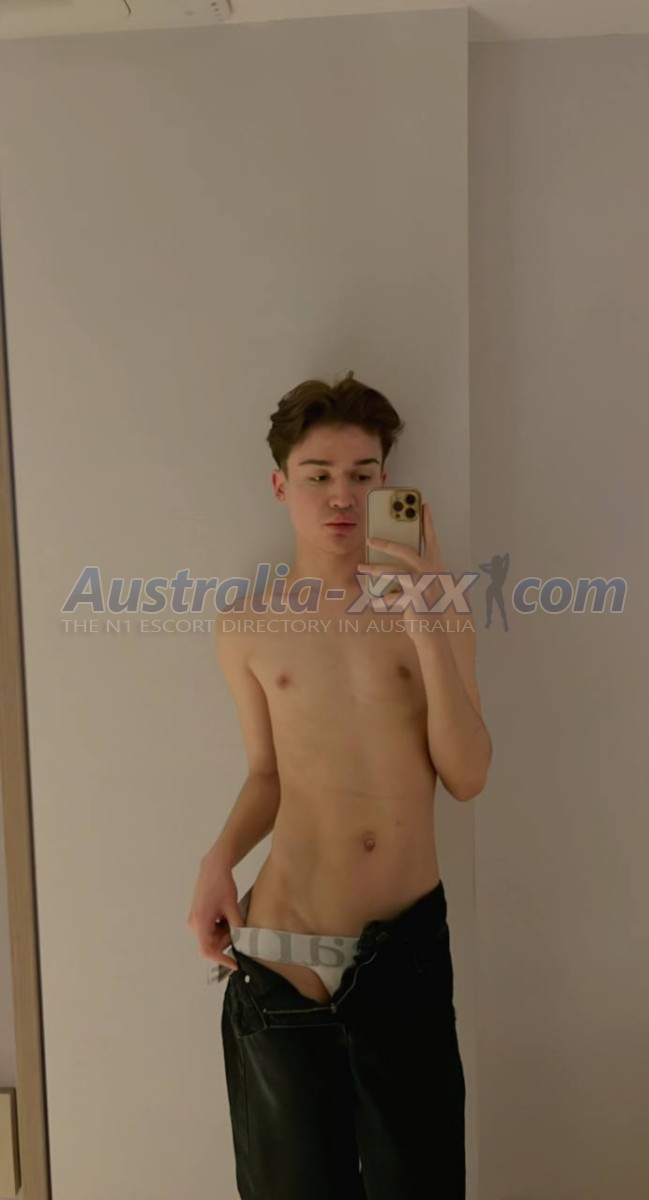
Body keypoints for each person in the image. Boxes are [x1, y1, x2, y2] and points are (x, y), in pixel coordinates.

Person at [187, 370, 492, 1199]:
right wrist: (218, 859)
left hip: (398, 953)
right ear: (280, 485)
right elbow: (266, 773)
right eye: (318, 475)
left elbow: (467, 775)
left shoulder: (439, 608)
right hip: (279, 955)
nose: (341, 496)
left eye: (362, 475)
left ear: (386, 484)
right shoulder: (247, 625)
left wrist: (425, 623)